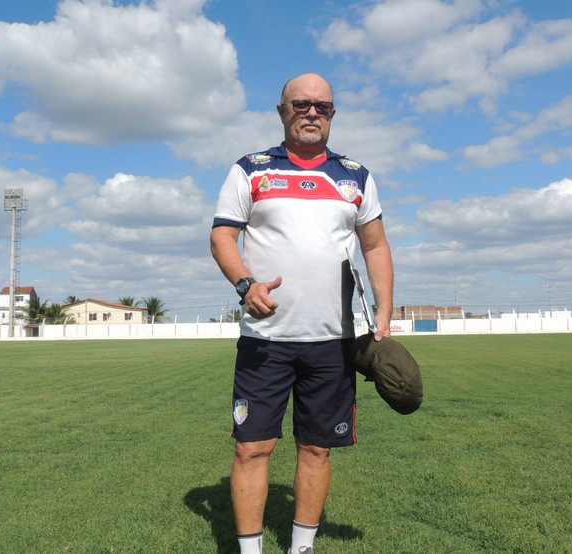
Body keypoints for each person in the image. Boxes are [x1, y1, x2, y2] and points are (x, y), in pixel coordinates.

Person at [210, 73, 394, 554]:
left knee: (316, 448)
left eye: (323, 107)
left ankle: (302, 548)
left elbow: (374, 246)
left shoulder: (355, 175)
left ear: (332, 114)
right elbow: (222, 236)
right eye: (301, 104)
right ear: (282, 110)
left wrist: (384, 314)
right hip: (265, 340)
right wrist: (246, 284)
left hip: (333, 340)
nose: (312, 113)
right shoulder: (251, 169)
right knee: (252, 448)